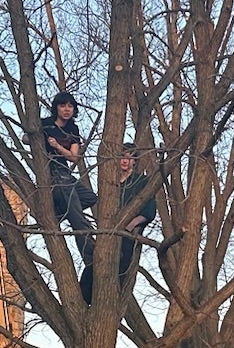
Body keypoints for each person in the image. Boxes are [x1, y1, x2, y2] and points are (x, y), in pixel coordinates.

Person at [79, 146, 158, 303]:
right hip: (106, 233)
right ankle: (86, 301)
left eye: (130, 157)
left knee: (119, 269)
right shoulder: (109, 182)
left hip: (127, 235)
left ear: (134, 162)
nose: (125, 160)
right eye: (122, 156)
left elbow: (149, 210)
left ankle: (109, 302)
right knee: (94, 267)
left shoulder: (140, 181)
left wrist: (129, 225)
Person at [40, 90, 96, 263]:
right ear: (56, 107)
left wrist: (57, 146)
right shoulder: (46, 124)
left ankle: (57, 212)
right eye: (63, 105)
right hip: (53, 174)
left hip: (66, 174)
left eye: (70, 106)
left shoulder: (73, 129)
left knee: (90, 198)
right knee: (78, 218)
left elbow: (73, 157)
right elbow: (27, 138)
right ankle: (91, 258)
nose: (66, 109)